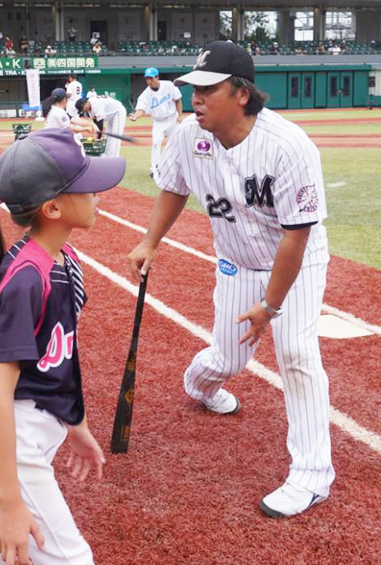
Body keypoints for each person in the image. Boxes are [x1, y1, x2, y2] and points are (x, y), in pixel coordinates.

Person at [127, 41, 334, 518]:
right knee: (228, 357)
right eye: (193, 89)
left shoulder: (289, 146)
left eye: (208, 89)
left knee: (296, 353)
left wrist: (270, 307)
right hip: (236, 261)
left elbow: (296, 237)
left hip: (296, 264)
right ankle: (201, 386)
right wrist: (150, 242)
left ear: (242, 94)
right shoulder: (188, 136)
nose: (196, 98)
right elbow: (174, 188)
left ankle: (312, 475)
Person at [0, 127, 126, 565]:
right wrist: (10, 502)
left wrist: (76, 425)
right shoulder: (27, 279)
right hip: (9, 446)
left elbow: (56, 366)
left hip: (5, 442)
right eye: (86, 187)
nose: (97, 195)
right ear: (52, 208)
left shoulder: (63, 259)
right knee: (72, 559)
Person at [129, 66, 184, 177]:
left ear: (157, 77)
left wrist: (180, 115)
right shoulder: (145, 94)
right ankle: (155, 169)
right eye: (147, 78)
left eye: (151, 78)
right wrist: (136, 116)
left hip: (172, 119)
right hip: (158, 122)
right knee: (156, 143)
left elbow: (177, 100)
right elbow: (141, 109)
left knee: (176, 143)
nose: (149, 81)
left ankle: (178, 167)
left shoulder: (168, 85)